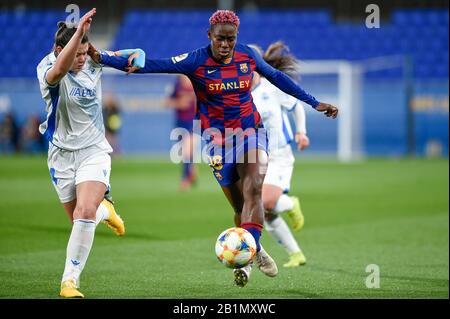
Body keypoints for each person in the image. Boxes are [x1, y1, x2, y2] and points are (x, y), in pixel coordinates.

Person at [91, 9, 338, 287]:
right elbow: (152, 64)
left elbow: (278, 78)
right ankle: (254, 246)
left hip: (250, 133)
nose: (225, 45)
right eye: (220, 39)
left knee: (254, 187)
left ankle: (248, 258)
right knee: (240, 206)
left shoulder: (248, 56)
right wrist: (103, 57)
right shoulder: (196, 60)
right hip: (217, 142)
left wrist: (315, 102)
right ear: (209, 36)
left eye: (230, 39)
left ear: (236, 38)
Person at [36, 8, 141, 298]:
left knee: (84, 213)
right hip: (60, 155)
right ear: (60, 50)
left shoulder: (92, 60)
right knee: (80, 222)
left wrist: (125, 56)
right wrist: (80, 36)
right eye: (77, 54)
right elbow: (59, 71)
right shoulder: (47, 68)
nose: (82, 60)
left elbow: (133, 56)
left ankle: (69, 282)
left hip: (94, 150)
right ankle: (106, 209)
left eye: (84, 53)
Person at [249, 42, 310, 272]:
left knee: (266, 203)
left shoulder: (272, 87)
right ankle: (296, 253)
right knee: (263, 212)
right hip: (255, 157)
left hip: (279, 155)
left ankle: (290, 203)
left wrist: (301, 132)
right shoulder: (239, 94)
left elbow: (296, 106)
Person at [165, 74, 198, 191]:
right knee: (187, 151)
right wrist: (179, 103)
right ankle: (191, 170)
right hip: (180, 122)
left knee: (186, 150)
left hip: (194, 121)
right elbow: (167, 103)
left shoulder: (197, 80)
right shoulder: (177, 84)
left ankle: (185, 179)